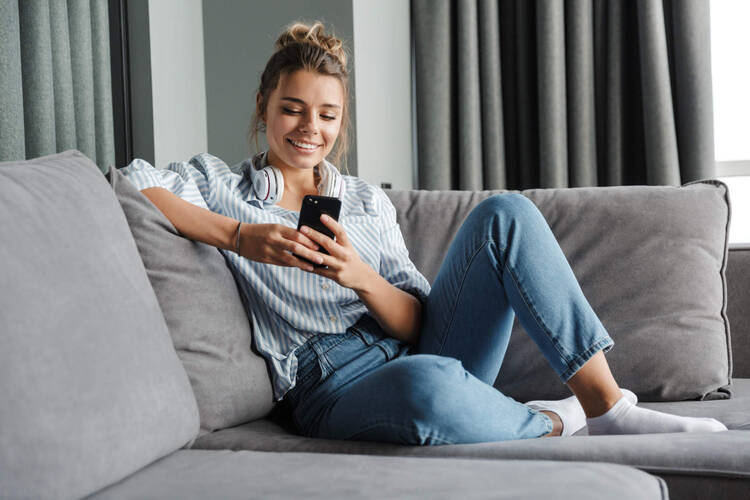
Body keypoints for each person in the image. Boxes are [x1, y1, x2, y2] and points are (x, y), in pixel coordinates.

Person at [121, 21, 727, 444]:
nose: (309, 128)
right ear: (263, 107)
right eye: (292, 108)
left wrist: (361, 278)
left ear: (340, 121)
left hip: (418, 345)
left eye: (327, 115)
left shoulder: (362, 200)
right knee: (428, 385)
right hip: (330, 381)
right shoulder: (221, 185)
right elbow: (135, 181)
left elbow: (416, 321)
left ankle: (607, 405)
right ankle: (552, 421)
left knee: (505, 214)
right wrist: (238, 237)